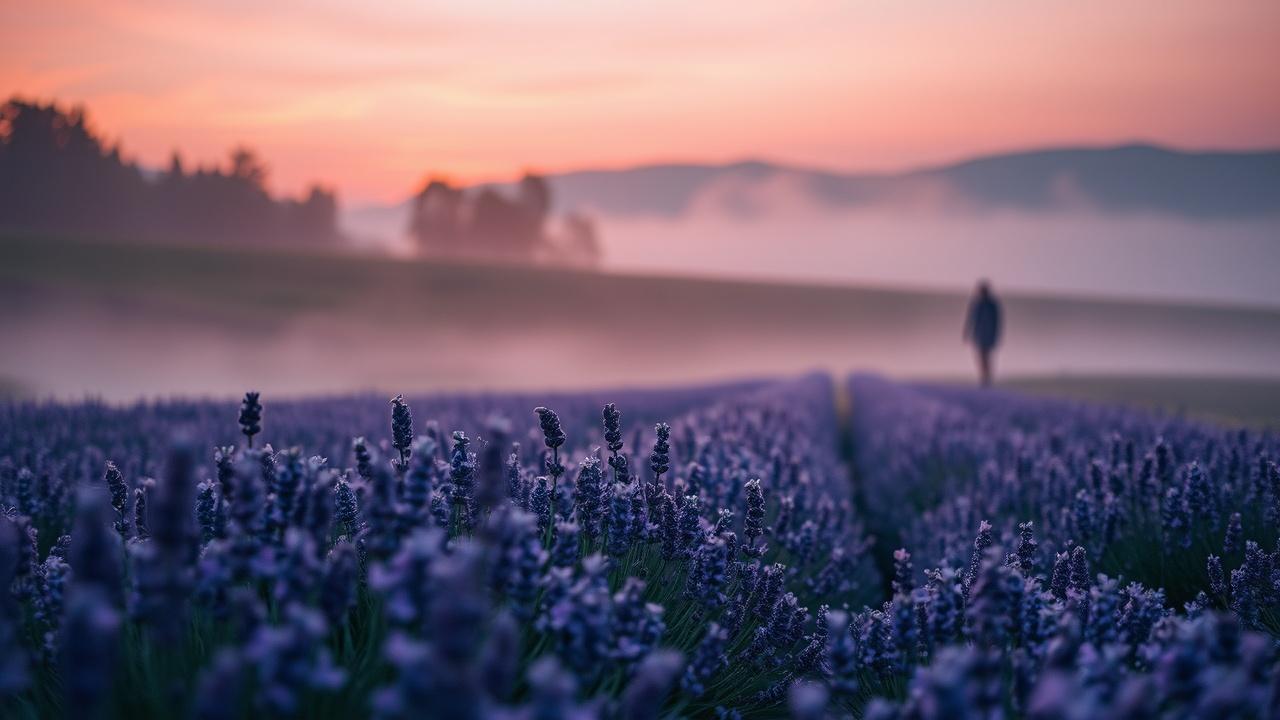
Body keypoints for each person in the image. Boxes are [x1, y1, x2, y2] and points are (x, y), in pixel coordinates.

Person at [963, 280, 1002, 387]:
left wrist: (967, 332)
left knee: (985, 356)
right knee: (982, 356)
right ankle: (985, 377)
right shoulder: (978, 303)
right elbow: (971, 319)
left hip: (986, 334)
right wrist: (966, 332)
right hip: (980, 334)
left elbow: (997, 321)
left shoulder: (990, 304)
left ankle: (986, 377)